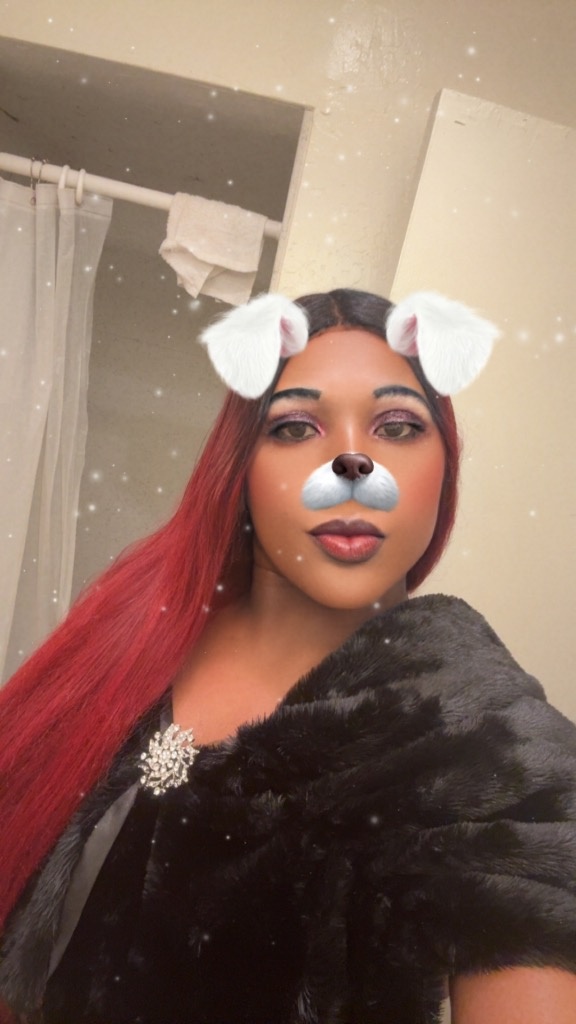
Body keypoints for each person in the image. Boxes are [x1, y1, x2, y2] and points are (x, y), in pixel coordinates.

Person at [1, 288, 576, 1024]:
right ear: (240, 465)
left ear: (445, 465)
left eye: (398, 426)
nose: (351, 462)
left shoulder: (495, 751)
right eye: (296, 426)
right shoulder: (132, 636)